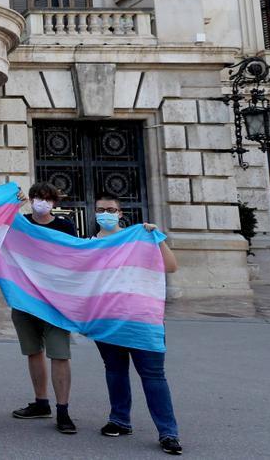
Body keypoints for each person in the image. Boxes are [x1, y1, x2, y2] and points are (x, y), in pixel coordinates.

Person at [91, 193, 183, 456]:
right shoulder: (89, 244)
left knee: (153, 376)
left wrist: (159, 239)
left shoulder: (140, 237)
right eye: (101, 209)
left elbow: (171, 266)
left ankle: (168, 433)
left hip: (142, 319)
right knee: (115, 371)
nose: (105, 213)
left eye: (110, 209)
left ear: (120, 213)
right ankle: (120, 420)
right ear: (95, 213)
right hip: (107, 319)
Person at [11, 181, 79, 433]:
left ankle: (63, 411)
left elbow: (76, 256)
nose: (41, 201)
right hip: (25, 298)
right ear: (30, 199)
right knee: (33, 351)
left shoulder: (65, 226)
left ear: (54, 202)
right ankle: (41, 402)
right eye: (37, 197)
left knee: (60, 353)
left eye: (47, 198)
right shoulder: (22, 223)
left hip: (55, 300)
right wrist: (9, 204)